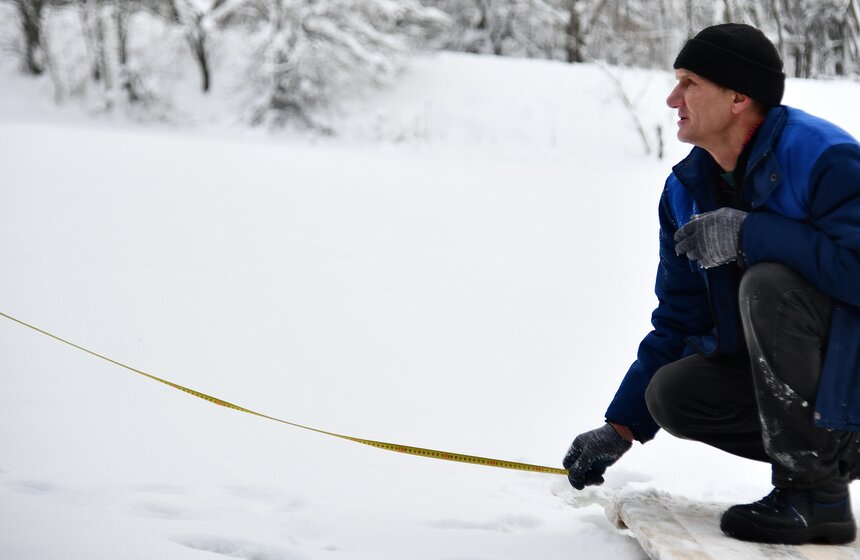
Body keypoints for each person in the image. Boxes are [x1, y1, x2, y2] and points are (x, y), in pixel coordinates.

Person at [563, 23, 860, 545]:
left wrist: (753, 233)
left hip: (854, 376)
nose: (673, 97)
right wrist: (621, 427)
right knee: (674, 393)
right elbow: (679, 319)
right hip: (821, 402)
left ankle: (816, 496)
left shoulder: (824, 159)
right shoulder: (686, 191)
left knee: (769, 285)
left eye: (689, 82)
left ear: (739, 97)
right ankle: (823, 470)